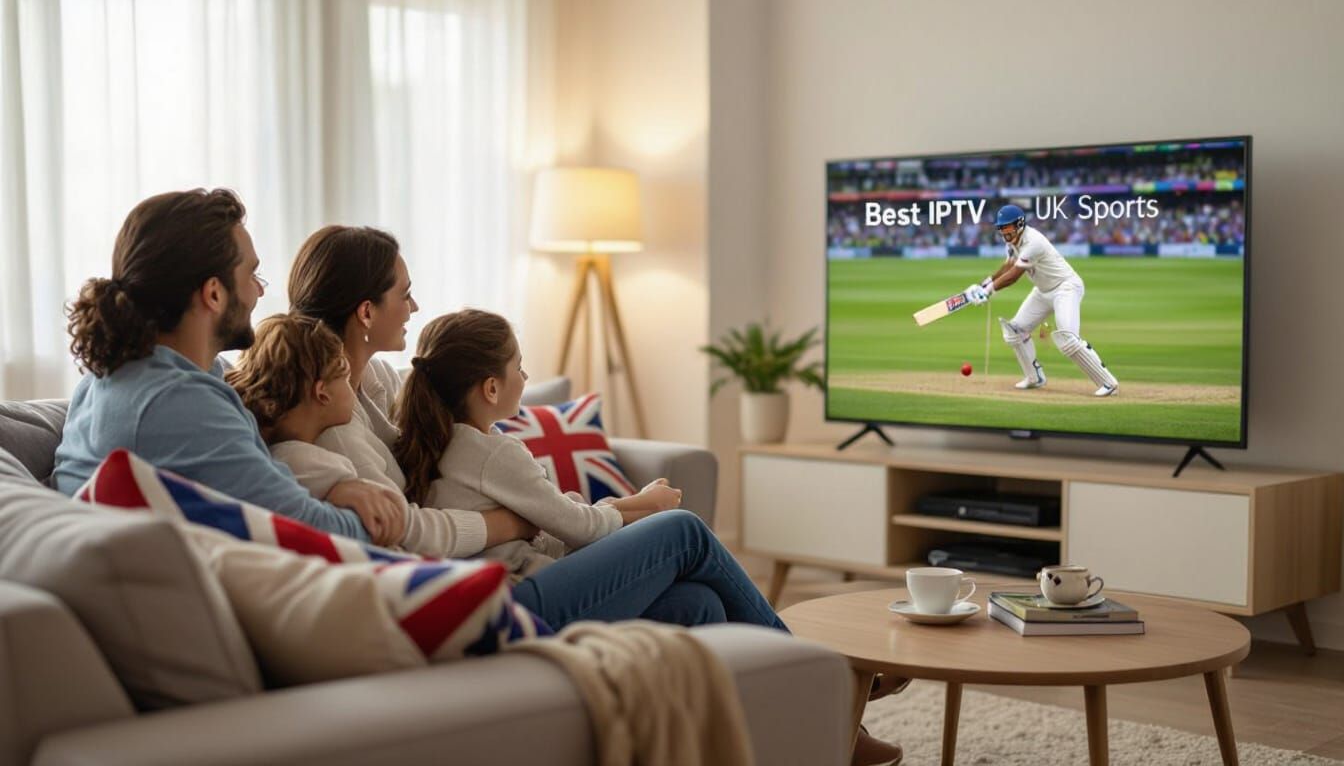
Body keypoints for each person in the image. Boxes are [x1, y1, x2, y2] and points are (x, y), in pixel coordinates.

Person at [287, 226, 906, 764]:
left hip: (509, 574)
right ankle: (831, 689)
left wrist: (611, 509)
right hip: (489, 600)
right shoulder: (332, 420)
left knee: (697, 605)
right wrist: (515, 524)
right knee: (684, 532)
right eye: (403, 292)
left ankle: (794, 739)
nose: (414, 304)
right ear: (365, 312)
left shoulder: (379, 385)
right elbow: (409, 530)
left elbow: (460, 460)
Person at [52, 189, 404, 544]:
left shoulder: (112, 375)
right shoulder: (177, 403)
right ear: (214, 293)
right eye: (252, 275)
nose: (259, 292)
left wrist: (332, 489)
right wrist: (369, 515)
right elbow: (309, 534)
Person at [395, 308, 684, 580]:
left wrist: (636, 504)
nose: (525, 376)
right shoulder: (493, 453)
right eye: (519, 367)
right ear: (492, 388)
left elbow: (561, 518)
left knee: (692, 598)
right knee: (682, 528)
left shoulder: (438, 441)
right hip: (527, 583)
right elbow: (581, 528)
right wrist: (648, 503)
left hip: (513, 576)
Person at [965, 204, 1120, 397]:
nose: (1004, 231)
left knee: (1067, 338)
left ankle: (1108, 383)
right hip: (1043, 290)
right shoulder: (1011, 242)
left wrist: (989, 291)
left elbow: (1014, 275)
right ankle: (1034, 378)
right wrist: (985, 284)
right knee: (1014, 331)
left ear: (1019, 224)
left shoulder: (1033, 242)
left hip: (1066, 287)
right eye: (1001, 227)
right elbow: (1008, 266)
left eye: (1007, 227)